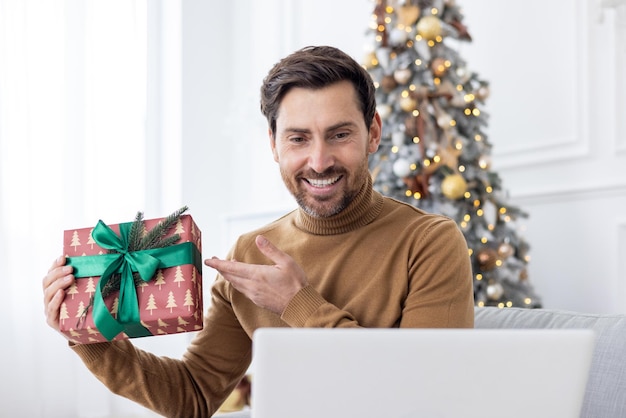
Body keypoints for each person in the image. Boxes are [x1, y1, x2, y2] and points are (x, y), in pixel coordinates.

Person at [42, 45, 474, 417]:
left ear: (373, 132)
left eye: (339, 134)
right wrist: (86, 334)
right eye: (298, 139)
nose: (319, 161)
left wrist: (297, 304)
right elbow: (191, 397)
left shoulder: (430, 242)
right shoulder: (250, 255)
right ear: (273, 144)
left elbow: (427, 397)